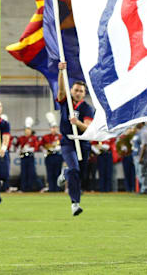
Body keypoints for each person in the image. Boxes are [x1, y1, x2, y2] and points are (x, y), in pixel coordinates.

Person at [56, 61, 94, 216]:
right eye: (76, 90)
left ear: (84, 93)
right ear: (72, 90)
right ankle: (75, 203)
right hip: (68, 141)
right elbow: (60, 90)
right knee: (74, 169)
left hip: (83, 143)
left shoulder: (87, 108)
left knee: (78, 174)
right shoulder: (67, 103)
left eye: (81, 91)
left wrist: (77, 123)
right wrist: (61, 72)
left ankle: (65, 173)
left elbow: (88, 127)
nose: (78, 93)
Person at [18, 117, 42, 192]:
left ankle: (33, 187)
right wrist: (21, 149)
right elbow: (18, 147)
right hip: (23, 157)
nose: (27, 131)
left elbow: (36, 147)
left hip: (30, 157)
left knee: (32, 173)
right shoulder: (21, 138)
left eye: (29, 129)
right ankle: (23, 188)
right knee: (23, 173)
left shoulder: (34, 138)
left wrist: (28, 149)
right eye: (26, 130)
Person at [40, 123, 63, 191]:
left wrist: (59, 148)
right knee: (50, 173)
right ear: (50, 128)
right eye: (52, 128)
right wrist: (44, 150)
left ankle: (58, 188)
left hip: (58, 156)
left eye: (55, 127)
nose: (54, 129)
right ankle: (51, 188)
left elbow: (64, 145)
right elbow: (40, 146)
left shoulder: (60, 136)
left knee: (57, 173)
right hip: (49, 156)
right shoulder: (46, 137)